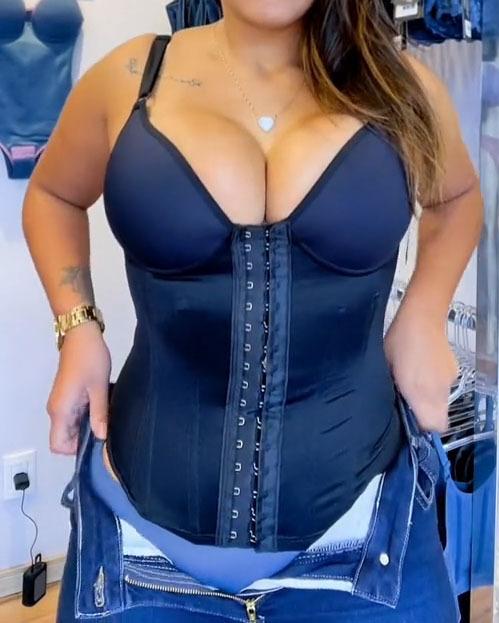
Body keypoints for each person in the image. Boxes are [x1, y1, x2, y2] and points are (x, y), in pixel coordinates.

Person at [22, 1, 484, 621]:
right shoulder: (129, 78)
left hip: (370, 549)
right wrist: (76, 326)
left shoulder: (400, 87)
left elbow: (457, 197)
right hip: (134, 555)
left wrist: (424, 314)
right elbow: (53, 193)